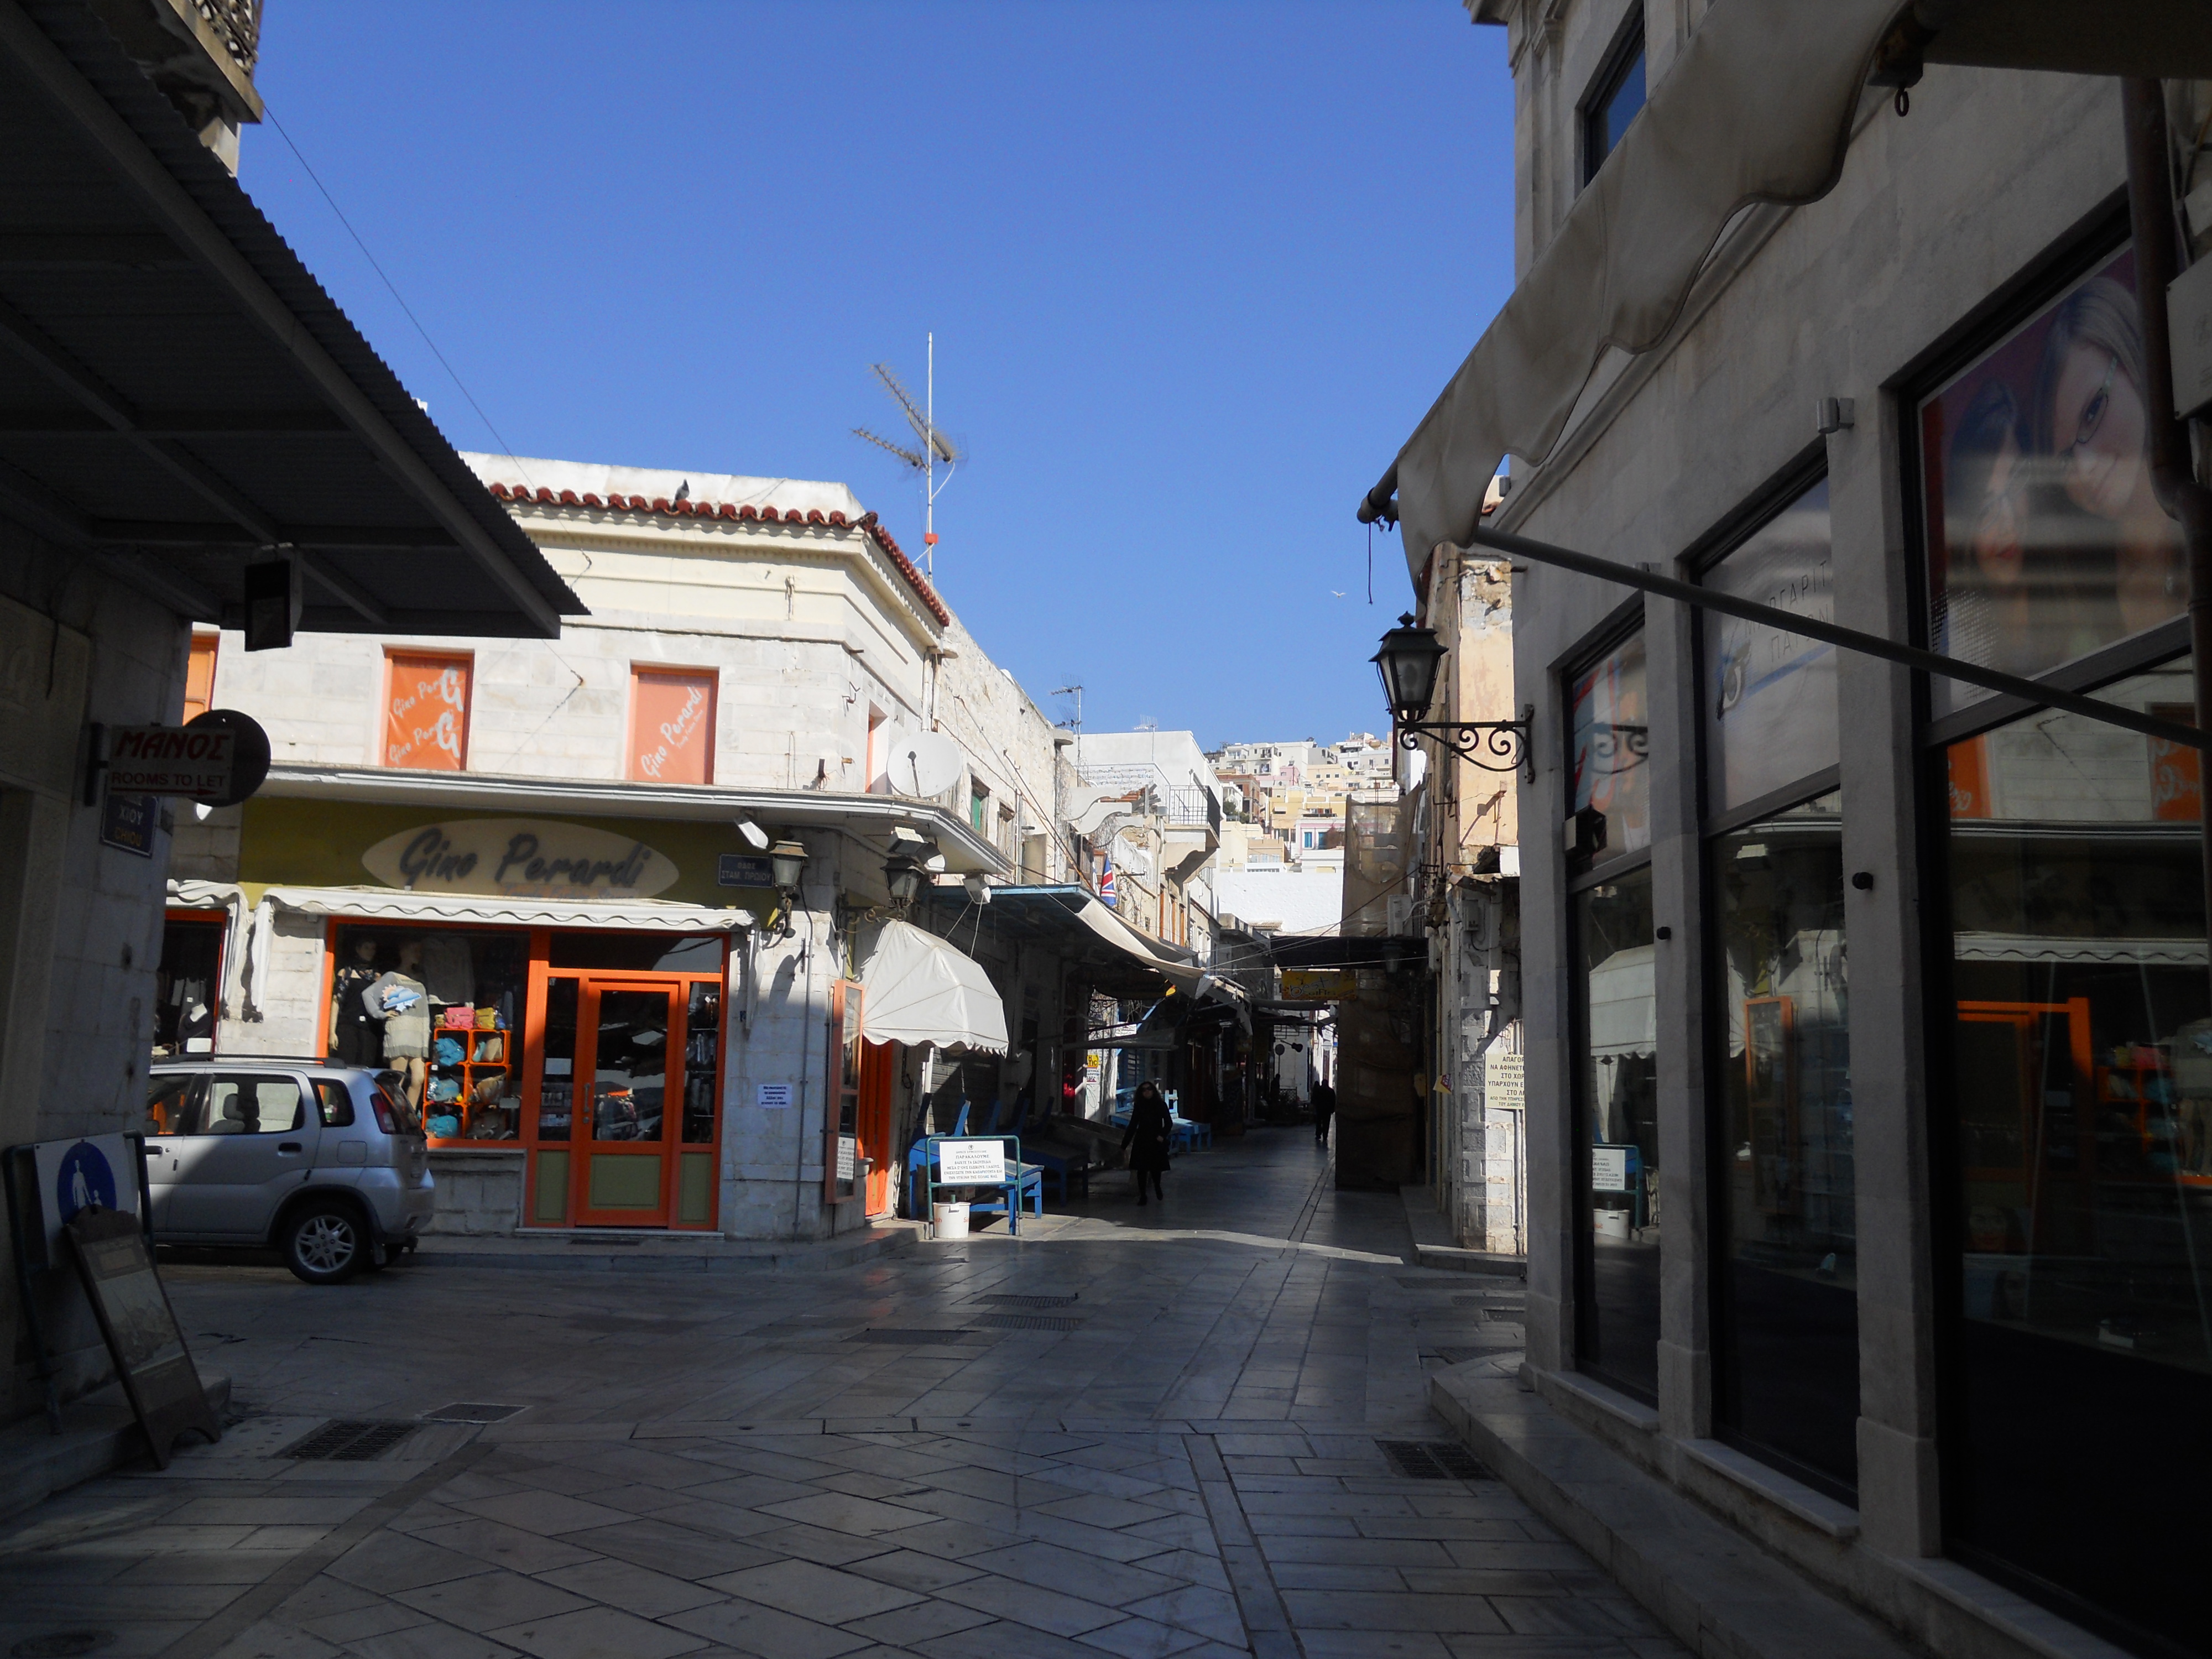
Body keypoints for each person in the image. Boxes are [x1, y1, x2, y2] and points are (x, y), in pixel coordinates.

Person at [2032, 276, 2184, 640]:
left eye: (2092, 411)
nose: (2085, 469)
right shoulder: (2086, 595)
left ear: (2133, 364)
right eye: (2065, 458)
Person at [1122, 1080, 1173, 1206]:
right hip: (1142, 1140)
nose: (1147, 1092)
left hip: (1156, 1141)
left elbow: (1168, 1123)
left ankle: (1157, 1186)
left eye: (1149, 1089)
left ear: (1153, 1091)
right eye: (1144, 1090)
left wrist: (1162, 1136)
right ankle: (1143, 1195)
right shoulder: (1139, 1106)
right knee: (1141, 1170)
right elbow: (1133, 1125)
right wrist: (1124, 1144)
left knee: (1156, 1169)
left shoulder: (1161, 1105)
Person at [1312, 1078, 1337, 1147]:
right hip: (1327, 1110)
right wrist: (1333, 1109)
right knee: (1326, 1123)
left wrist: (1315, 1107)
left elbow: (1314, 1099)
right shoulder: (1331, 1091)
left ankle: (1318, 1134)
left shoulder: (1318, 1090)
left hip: (1319, 1109)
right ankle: (1325, 1135)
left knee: (1319, 1122)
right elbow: (1334, 1101)